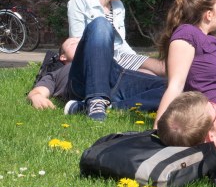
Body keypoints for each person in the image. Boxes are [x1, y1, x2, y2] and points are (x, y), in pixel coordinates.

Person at [27, 19, 166, 121]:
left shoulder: (99, 53)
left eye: (80, 41)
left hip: (114, 76)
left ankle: (106, 107)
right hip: (81, 83)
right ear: (62, 56)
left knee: (178, 87)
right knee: (100, 24)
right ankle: (96, 100)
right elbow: (38, 91)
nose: (79, 42)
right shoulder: (60, 73)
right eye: (72, 43)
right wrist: (36, 97)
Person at [67, 0, 165, 77]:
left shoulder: (118, 6)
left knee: (154, 72)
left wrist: (135, 58)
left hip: (119, 56)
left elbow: (120, 42)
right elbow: (76, 40)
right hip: (95, 59)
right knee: (157, 70)